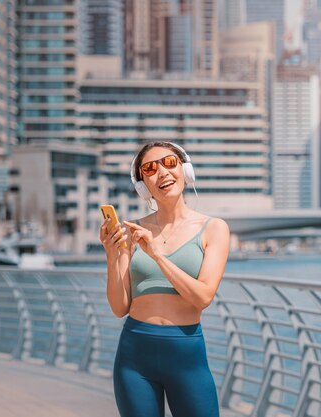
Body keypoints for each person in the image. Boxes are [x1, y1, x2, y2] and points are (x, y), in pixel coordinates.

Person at [99, 141, 230, 417]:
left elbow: (203, 297)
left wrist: (157, 255)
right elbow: (119, 307)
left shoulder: (214, 229)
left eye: (169, 163)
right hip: (134, 357)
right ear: (143, 184)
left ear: (185, 170)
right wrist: (113, 256)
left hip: (186, 357)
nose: (162, 172)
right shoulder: (133, 230)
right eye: (150, 168)